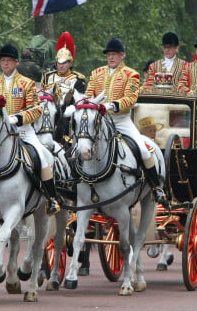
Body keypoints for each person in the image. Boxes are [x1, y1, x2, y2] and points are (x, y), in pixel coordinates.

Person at [0, 44, 60, 216]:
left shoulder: (26, 83)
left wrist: (17, 118)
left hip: (23, 131)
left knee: (43, 158)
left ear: (15, 62)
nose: (5, 63)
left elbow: (36, 110)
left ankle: (51, 199)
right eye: (3, 60)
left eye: (8, 60)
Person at [85, 37, 167, 206]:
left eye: (114, 54)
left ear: (122, 55)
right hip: (99, 121)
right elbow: (88, 95)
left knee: (145, 151)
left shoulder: (131, 74)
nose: (111, 57)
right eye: (109, 54)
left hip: (121, 120)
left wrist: (111, 105)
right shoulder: (96, 73)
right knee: (81, 146)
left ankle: (156, 187)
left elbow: (130, 98)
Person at [41, 32, 86, 105]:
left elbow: (79, 102)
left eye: (64, 63)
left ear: (70, 63)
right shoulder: (47, 77)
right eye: (59, 63)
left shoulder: (78, 80)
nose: (61, 66)